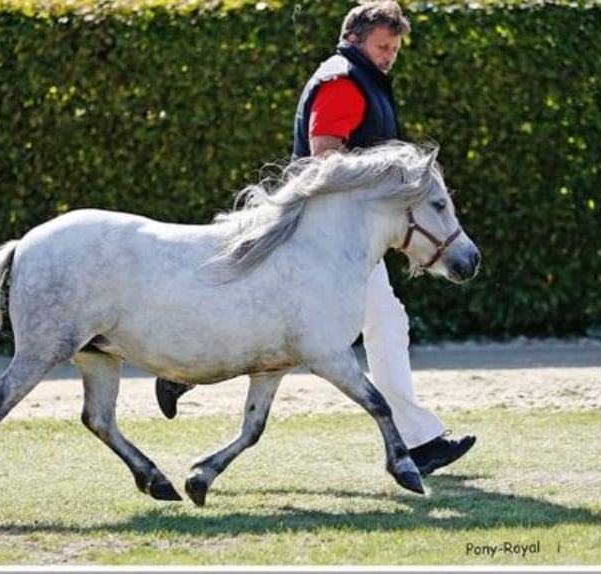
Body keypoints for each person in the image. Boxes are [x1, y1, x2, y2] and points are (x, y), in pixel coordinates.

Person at [155, 1, 475, 476]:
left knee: (383, 325)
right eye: (383, 46)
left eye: (395, 48)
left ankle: (184, 379)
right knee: (375, 327)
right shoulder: (343, 81)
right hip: (327, 241)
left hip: (346, 236)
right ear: (355, 39)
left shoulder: (363, 78)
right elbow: (323, 160)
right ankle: (418, 442)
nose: (390, 56)